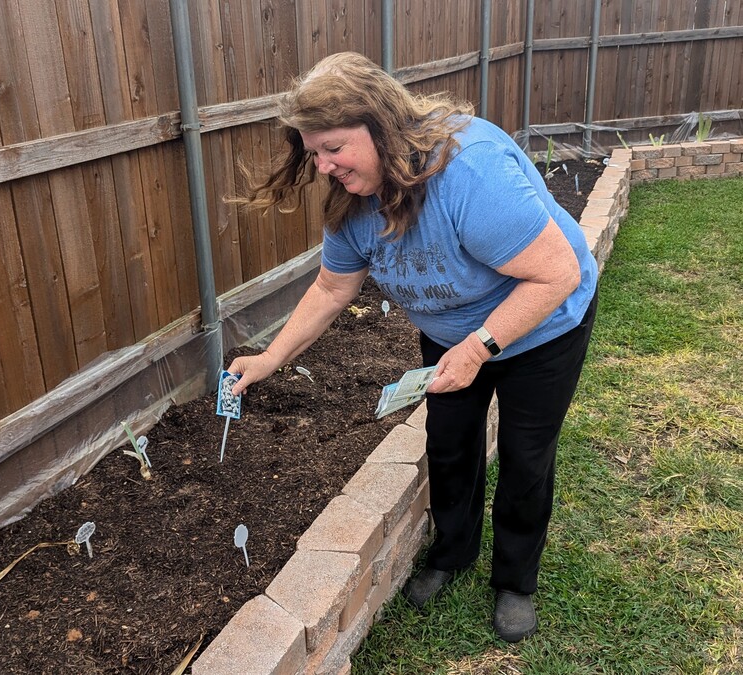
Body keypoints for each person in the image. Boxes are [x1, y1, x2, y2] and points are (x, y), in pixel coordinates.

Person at [226, 51, 598, 643]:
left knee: (527, 455)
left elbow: (555, 275)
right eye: (313, 152)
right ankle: (452, 555)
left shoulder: (468, 173)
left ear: (381, 128)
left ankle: (516, 580)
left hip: (543, 325)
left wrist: (480, 347)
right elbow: (331, 286)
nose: (322, 166)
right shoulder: (353, 202)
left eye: (334, 148)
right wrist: (270, 357)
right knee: (449, 445)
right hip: (453, 333)